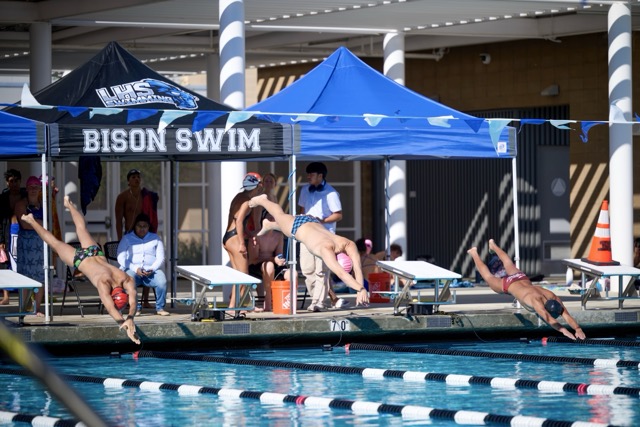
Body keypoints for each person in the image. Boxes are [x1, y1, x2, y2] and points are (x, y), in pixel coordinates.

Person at [22, 196, 140, 344]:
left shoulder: (126, 278)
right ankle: (32, 220)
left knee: (81, 228)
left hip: (96, 252)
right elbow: (111, 308)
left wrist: (130, 318)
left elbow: (133, 301)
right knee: (54, 243)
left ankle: (69, 205)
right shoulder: (105, 283)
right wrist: (123, 321)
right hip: (80, 259)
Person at [250, 193, 369, 307]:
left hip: (311, 220)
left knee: (281, 217)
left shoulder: (348, 243)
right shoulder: (326, 249)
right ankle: (262, 200)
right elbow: (341, 273)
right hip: (297, 227)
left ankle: (270, 225)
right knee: (278, 214)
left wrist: (360, 290)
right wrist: (360, 288)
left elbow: (357, 269)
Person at [468, 239, 585, 341]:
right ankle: (474, 253)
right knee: (489, 277)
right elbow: (549, 319)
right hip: (508, 285)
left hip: (520, 278)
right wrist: (563, 330)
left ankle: (493, 245)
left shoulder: (552, 297)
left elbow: (566, 315)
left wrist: (578, 329)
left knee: (508, 263)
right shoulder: (538, 302)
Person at [297, 162, 348, 311]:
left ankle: (318, 303)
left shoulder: (331, 193)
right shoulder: (304, 190)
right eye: (308, 174)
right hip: (306, 234)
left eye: (311, 174)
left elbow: (338, 215)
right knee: (307, 270)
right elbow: (302, 210)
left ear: (321, 176)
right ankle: (317, 300)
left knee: (321, 271)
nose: (308, 177)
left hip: (324, 236)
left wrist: (322, 220)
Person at [114, 169, 159, 308]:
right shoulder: (122, 197)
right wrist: (120, 239)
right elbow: (118, 220)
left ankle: (145, 300)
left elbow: (151, 215)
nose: (136, 179)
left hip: (145, 235)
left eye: (138, 177)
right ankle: (129, 298)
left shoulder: (146, 196)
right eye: (133, 177)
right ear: (128, 181)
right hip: (129, 236)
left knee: (147, 264)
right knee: (128, 266)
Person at [117, 213, 170, 316]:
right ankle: (135, 307)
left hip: (151, 270)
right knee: (128, 279)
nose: (142, 229)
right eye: (139, 226)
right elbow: (120, 257)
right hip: (132, 269)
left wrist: (152, 269)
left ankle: (160, 308)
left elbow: (161, 258)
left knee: (162, 281)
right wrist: (135, 268)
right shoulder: (127, 238)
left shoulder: (155, 238)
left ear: (148, 227)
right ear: (135, 226)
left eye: (144, 226)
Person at [223, 172, 264, 308]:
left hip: (228, 237)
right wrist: (242, 243)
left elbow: (234, 218)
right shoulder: (246, 201)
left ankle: (236, 303)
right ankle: (233, 307)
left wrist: (248, 233)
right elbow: (239, 221)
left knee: (238, 276)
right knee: (244, 276)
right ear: (257, 186)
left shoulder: (238, 197)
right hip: (235, 239)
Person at [13, 176, 47, 316]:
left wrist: (34, 221)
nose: (33, 189)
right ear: (26, 189)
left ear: (40, 189)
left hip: (40, 243)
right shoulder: (21, 204)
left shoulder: (44, 204)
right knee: (25, 276)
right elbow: (25, 224)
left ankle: (37, 308)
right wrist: (40, 223)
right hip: (26, 244)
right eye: (31, 187)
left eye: (36, 187)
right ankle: (24, 307)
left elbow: (49, 224)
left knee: (41, 276)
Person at [247, 213, 289, 312]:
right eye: (269, 218)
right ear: (263, 220)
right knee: (269, 266)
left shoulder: (278, 235)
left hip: (272, 263)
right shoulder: (256, 236)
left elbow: (279, 255)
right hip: (256, 266)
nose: (272, 220)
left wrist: (279, 260)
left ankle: (287, 303)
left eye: (274, 218)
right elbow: (253, 259)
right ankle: (268, 301)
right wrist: (273, 259)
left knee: (292, 274)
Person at [0, 169, 26, 305]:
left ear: (20, 181)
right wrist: (1, 241)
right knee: (5, 264)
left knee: (23, 262)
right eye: (11, 181)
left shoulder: (25, 195)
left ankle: (25, 294)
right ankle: (6, 296)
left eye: (16, 181)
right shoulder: (3, 198)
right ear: (7, 183)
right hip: (7, 232)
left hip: (23, 232)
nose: (14, 184)